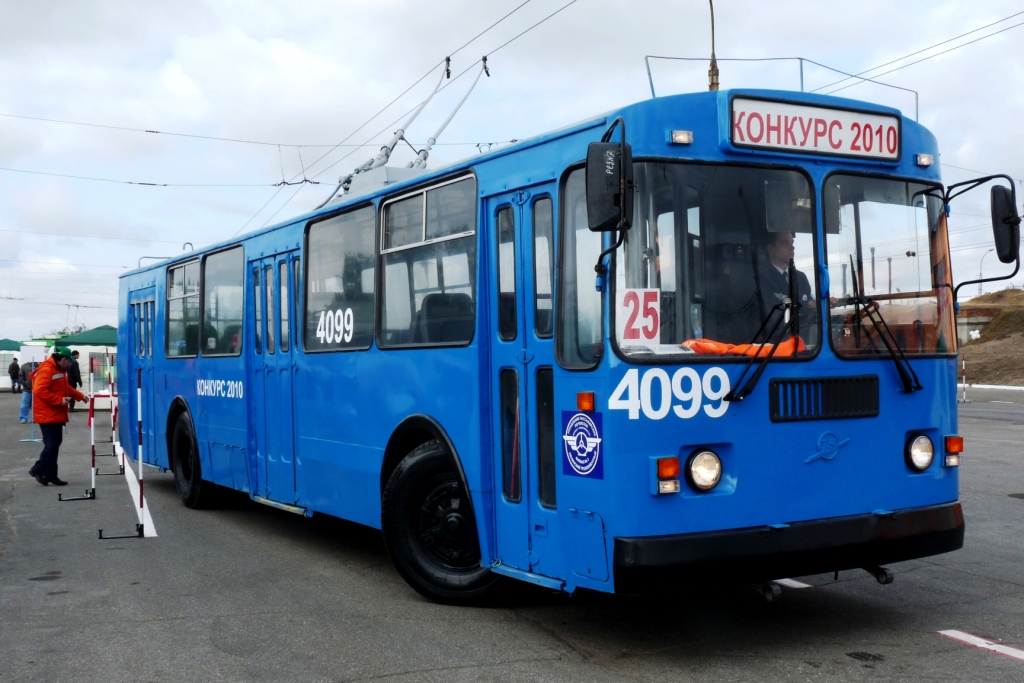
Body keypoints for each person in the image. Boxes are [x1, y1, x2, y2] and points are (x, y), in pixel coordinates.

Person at [28, 347, 88, 486]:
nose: (71, 364)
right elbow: (39, 390)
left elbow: (66, 388)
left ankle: (50, 475)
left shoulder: (60, 371)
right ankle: (37, 469)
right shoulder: (46, 370)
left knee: (54, 445)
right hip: (47, 414)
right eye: (70, 361)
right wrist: (59, 400)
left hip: (55, 414)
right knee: (52, 445)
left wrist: (80, 396)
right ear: (63, 360)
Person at [757, 231, 814, 337]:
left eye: (792, 243)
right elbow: (771, 309)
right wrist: (808, 304)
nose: (792, 248)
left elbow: (808, 312)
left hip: (801, 342)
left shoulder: (800, 277)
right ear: (771, 249)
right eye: (785, 243)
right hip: (772, 342)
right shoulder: (760, 277)